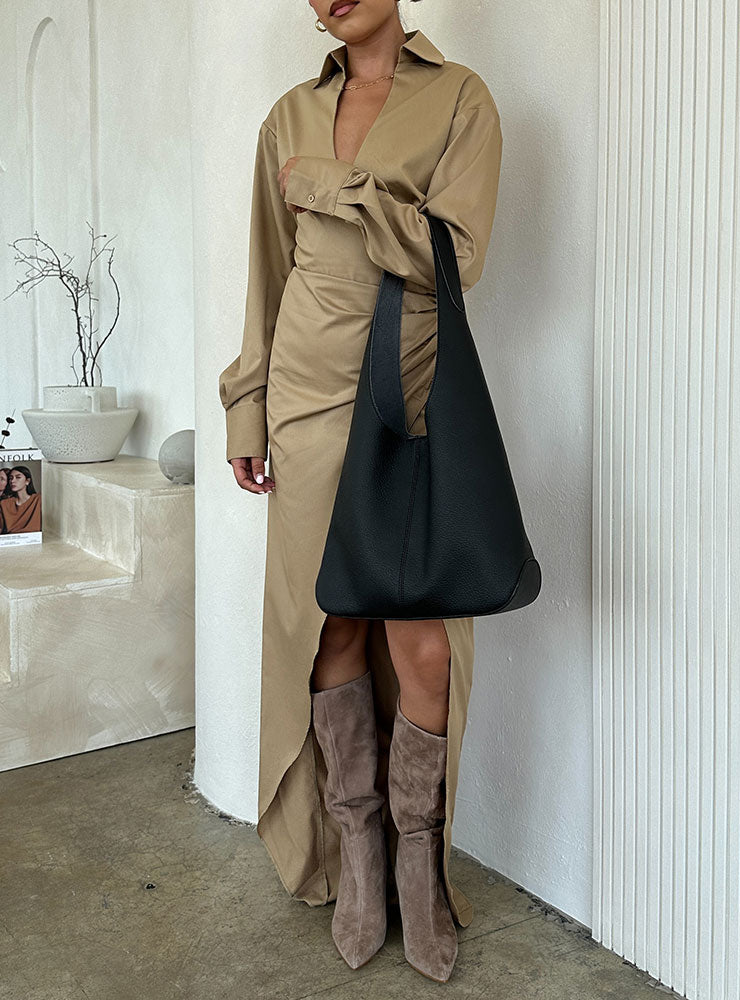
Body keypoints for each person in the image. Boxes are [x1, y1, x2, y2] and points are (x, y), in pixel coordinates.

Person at [218, 0, 502, 983]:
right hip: (299, 396)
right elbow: (267, 274)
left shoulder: (460, 100)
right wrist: (244, 408)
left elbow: (453, 260)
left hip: (409, 401)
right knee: (328, 627)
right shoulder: (287, 115)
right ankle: (362, 865)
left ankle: (421, 872)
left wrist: (338, 189)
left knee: (417, 637)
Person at [0, 466, 42, 535]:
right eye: (10, 478)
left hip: (33, 539)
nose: (12, 481)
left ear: (27, 481)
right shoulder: (4, 504)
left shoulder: (38, 499)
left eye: (18, 477)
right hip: (12, 540)